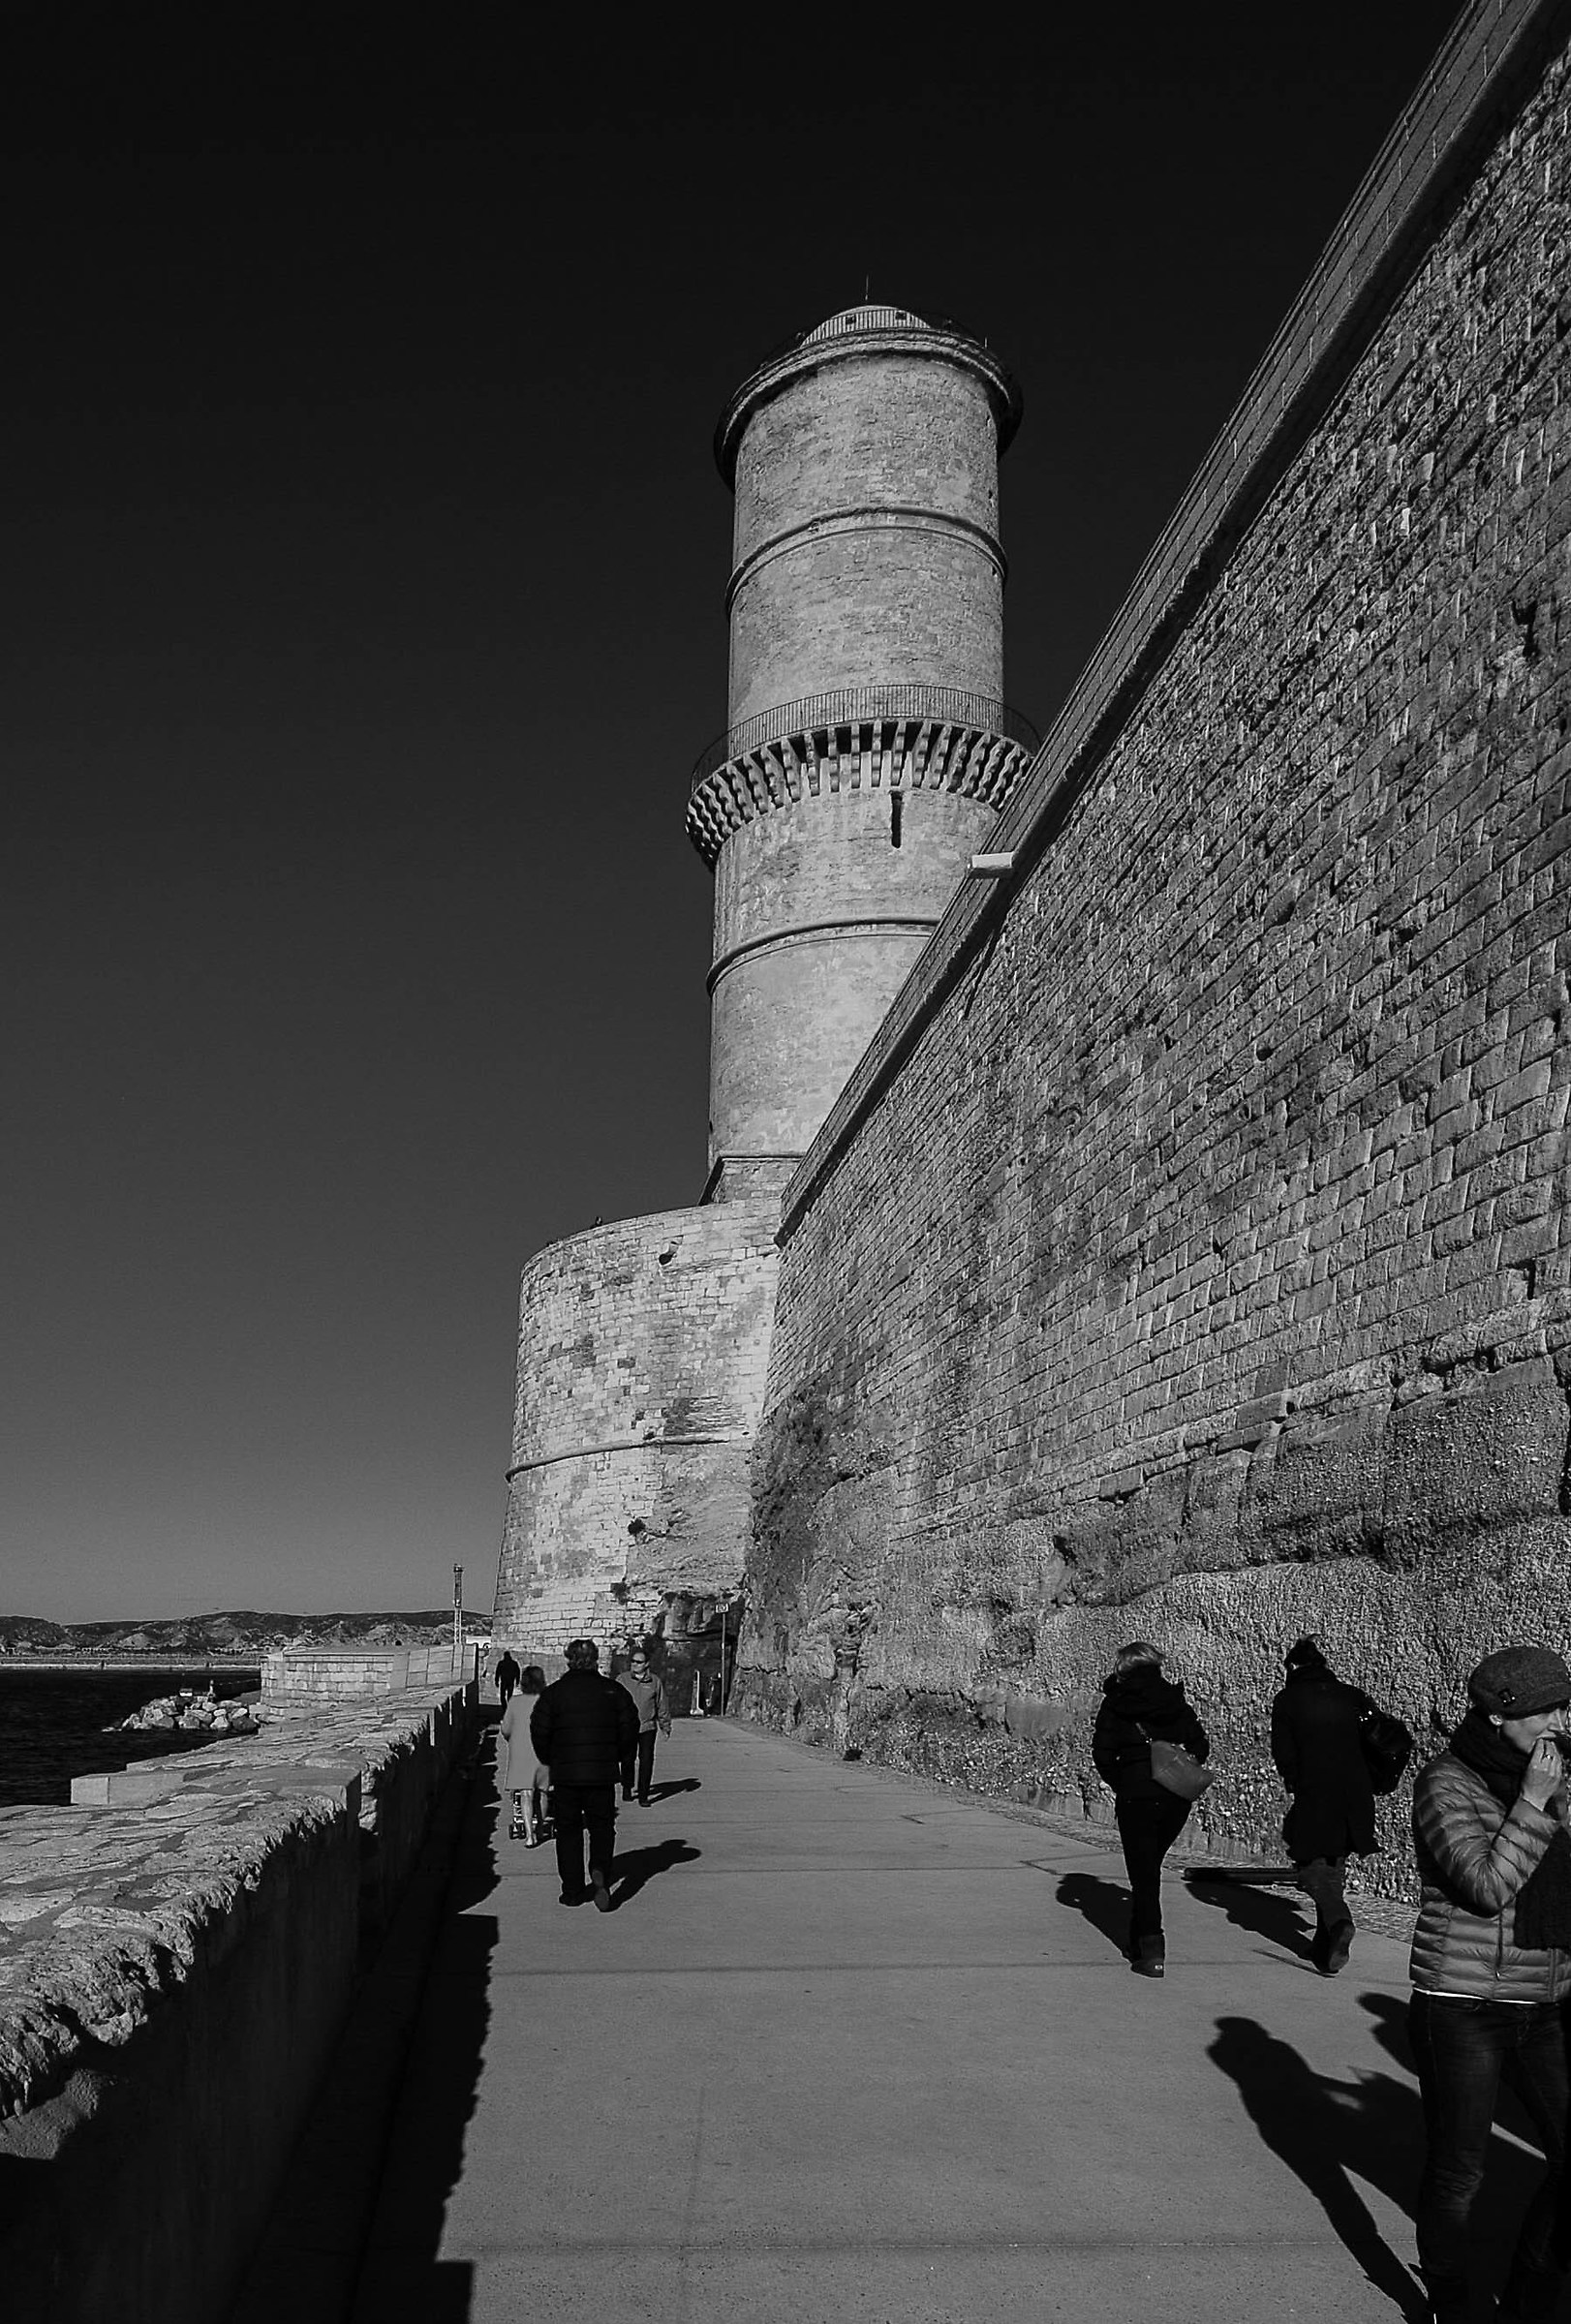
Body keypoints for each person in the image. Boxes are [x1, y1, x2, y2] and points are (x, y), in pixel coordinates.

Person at [1409, 1644, 1571, 2324]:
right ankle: (1451, 2307)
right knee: (1460, 2172)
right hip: (1462, 2005)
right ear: (1498, 1715)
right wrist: (1532, 1802)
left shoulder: (1560, 1775)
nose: (1559, 1722)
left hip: (1545, 2000)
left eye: (1563, 1706)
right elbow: (1485, 1886)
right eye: (1543, 1711)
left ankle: (1530, 2304)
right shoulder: (1445, 1783)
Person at [1092, 1640, 1211, 1978]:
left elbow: (1102, 1753)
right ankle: (1138, 1939)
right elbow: (1201, 1746)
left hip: (1137, 1794)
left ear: (1123, 1668)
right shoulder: (1174, 1699)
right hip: (1175, 1796)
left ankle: (1152, 1946)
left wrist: (1124, 1779)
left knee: (1143, 1872)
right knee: (1148, 1866)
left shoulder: (1116, 1702)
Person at [1271, 1636, 1377, 1974]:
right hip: (1356, 1792)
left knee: (1312, 1865)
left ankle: (1338, 1919)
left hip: (1316, 1791)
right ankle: (1323, 1943)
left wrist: (1293, 1780)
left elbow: (1284, 1752)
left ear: (1293, 1667)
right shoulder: (1352, 1696)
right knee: (1335, 1861)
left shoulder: (1288, 1699)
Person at [531, 1638, 639, 1911]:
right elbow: (630, 1727)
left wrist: (551, 1759)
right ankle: (600, 1869)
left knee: (568, 1831)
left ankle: (572, 1891)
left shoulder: (553, 1694)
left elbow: (539, 1731)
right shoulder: (614, 1691)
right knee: (602, 1827)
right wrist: (616, 1756)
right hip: (601, 1774)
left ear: (569, 1659)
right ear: (596, 1659)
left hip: (566, 1775)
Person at [497, 1664, 549, 1845]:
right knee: (543, 1792)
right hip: (543, 1752)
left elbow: (505, 1729)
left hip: (521, 1752)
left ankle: (529, 1836)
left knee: (526, 1793)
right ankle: (540, 1828)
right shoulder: (547, 1702)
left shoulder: (515, 1702)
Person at [617, 1643, 672, 1804]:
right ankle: (627, 1786)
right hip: (627, 1727)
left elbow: (661, 1704)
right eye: (633, 1661)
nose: (634, 1664)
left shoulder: (654, 1682)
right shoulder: (622, 1680)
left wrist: (665, 1726)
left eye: (639, 1662)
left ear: (646, 1664)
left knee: (646, 1760)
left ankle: (643, 1794)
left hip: (647, 1727)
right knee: (627, 1759)